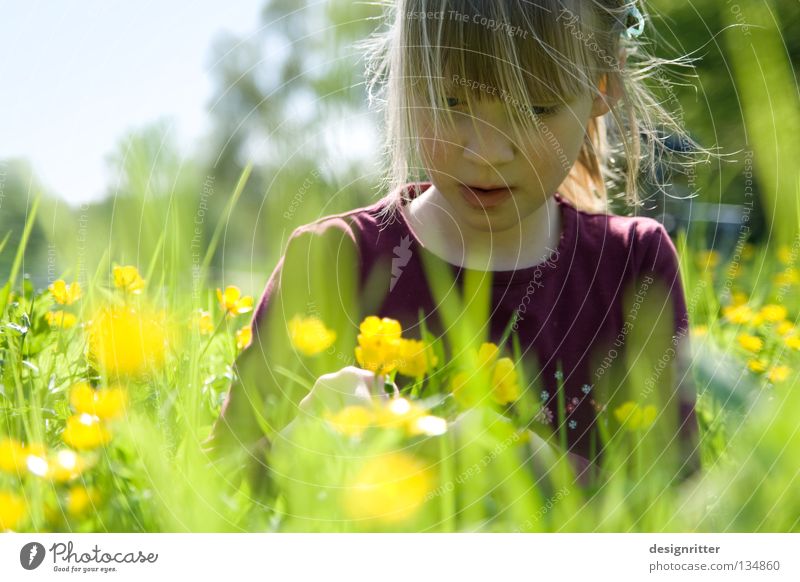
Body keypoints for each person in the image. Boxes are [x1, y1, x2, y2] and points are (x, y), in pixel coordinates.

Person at [204, 0, 707, 496]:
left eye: (535, 108)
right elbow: (211, 493)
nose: (486, 152)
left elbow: (681, 513)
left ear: (603, 85)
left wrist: (536, 470)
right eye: (449, 102)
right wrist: (299, 447)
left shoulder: (632, 268)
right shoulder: (332, 261)